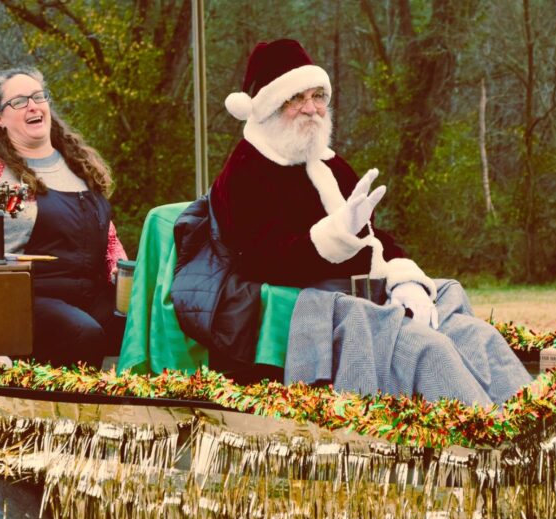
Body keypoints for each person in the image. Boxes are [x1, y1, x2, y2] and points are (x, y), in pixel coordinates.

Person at [205, 39, 531, 406]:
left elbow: (374, 237)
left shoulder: (331, 164)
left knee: (474, 336)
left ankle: (537, 431)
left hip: (368, 291)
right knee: (428, 350)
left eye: (318, 96)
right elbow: (261, 259)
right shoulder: (247, 170)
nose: (312, 109)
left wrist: (404, 278)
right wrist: (335, 238)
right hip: (312, 306)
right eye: (297, 98)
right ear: (268, 107)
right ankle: (482, 445)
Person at [0, 67, 127, 368]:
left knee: (146, 321)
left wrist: (120, 274)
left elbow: (108, 237)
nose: (32, 105)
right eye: (18, 101)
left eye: (37, 97)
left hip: (90, 294)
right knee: (85, 334)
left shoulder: (81, 166)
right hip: (26, 300)